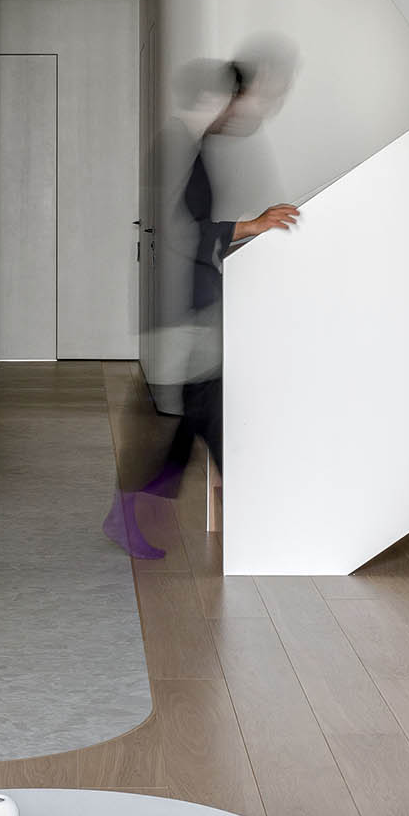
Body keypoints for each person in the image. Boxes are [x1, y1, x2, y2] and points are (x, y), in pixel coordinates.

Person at [104, 60, 299, 560]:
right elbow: (179, 230)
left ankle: (130, 512)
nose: (238, 114)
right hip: (180, 311)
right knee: (198, 416)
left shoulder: (189, 147)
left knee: (195, 417)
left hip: (190, 307)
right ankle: (260, 517)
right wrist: (249, 227)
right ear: (216, 100)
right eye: (235, 103)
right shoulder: (176, 148)